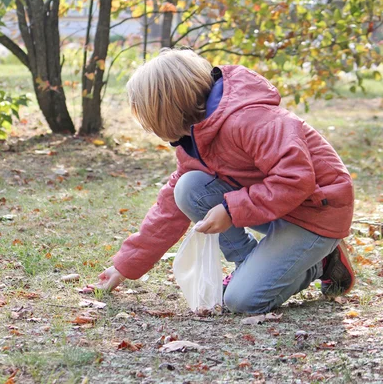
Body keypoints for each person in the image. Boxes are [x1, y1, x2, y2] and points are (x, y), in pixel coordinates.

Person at [92, 48, 355, 314]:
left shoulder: (251, 118)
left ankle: (321, 262)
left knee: (242, 301)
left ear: (166, 110)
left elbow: (295, 179)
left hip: (317, 211)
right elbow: (169, 207)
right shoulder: (193, 139)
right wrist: (124, 266)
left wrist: (231, 210)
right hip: (277, 207)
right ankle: (249, 265)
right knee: (188, 188)